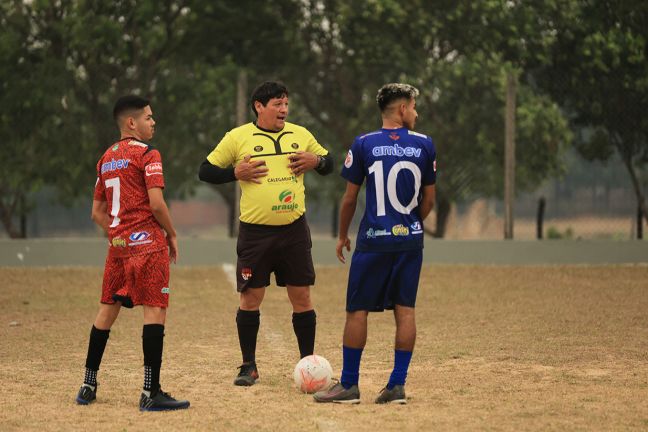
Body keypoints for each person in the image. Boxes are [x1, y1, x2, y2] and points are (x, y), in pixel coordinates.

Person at [199, 81, 334, 386]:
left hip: (294, 231)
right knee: (251, 297)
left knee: (302, 296)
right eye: (277, 103)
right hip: (255, 233)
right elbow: (205, 170)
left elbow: (330, 164)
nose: (284, 109)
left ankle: (308, 364)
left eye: (286, 103)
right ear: (259, 106)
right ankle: (248, 366)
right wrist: (235, 173)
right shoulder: (238, 137)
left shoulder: (301, 134)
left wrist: (317, 161)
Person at [314, 83, 436, 404]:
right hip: (410, 242)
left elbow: (350, 199)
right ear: (402, 110)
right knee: (405, 311)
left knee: (357, 311)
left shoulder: (364, 143)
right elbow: (429, 200)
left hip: (373, 242)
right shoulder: (425, 145)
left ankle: (350, 386)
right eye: (413, 106)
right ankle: (397, 386)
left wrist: (342, 235)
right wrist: (411, 226)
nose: (416, 112)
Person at [75, 95, 190, 411]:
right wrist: (172, 233)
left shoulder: (106, 158)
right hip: (149, 246)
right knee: (155, 312)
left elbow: (97, 212)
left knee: (106, 312)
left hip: (119, 248)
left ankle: (88, 384)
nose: (153, 122)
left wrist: (117, 234)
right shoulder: (149, 154)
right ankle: (150, 392)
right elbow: (156, 203)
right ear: (131, 122)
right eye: (149, 117)